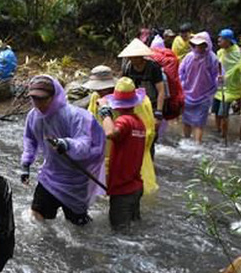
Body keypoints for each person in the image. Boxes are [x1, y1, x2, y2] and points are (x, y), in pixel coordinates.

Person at [21, 75, 105, 226]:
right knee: (36, 215)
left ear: (53, 97)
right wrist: (26, 164)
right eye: (34, 98)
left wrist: (66, 144)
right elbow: (29, 139)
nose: (37, 103)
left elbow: (85, 145)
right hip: (49, 176)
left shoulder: (74, 116)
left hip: (75, 179)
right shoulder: (33, 116)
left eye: (42, 98)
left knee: (79, 226)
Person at [85, 65, 158, 195]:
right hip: (104, 152)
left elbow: (148, 132)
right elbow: (90, 123)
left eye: (104, 89)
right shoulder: (96, 97)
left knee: (130, 189)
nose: (100, 92)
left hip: (128, 152)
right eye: (97, 89)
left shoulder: (136, 103)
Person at [95, 77, 147, 231]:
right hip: (136, 187)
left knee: (120, 235)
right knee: (133, 231)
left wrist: (104, 110)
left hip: (123, 191)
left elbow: (110, 133)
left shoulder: (124, 121)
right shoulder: (139, 122)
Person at [120, 38, 166, 153]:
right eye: (131, 56)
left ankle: (149, 163)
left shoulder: (153, 68)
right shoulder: (128, 67)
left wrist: (158, 114)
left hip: (152, 106)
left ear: (141, 56)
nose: (133, 59)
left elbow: (161, 91)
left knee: (150, 137)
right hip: (134, 106)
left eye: (135, 56)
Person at [179, 31, 219, 143]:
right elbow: (180, 72)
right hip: (187, 94)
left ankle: (197, 146)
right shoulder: (189, 57)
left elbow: (217, 75)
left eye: (202, 45)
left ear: (207, 45)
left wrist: (220, 80)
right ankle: (185, 143)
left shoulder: (212, 58)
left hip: (204, 95)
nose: (199, 47)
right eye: (197, 45)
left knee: (199, 123)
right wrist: (182, 85)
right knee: (186, 120)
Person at [212, 28, 241, 134]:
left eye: (222, 38)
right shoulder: (220, 52)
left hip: (231, 87)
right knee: (216, 111)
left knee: (223, 113)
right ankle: (218, 130)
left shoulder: (237, 53)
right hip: (220, 85)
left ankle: (224, 133)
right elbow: (217, 67)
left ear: (228, 40)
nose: (219, 40)